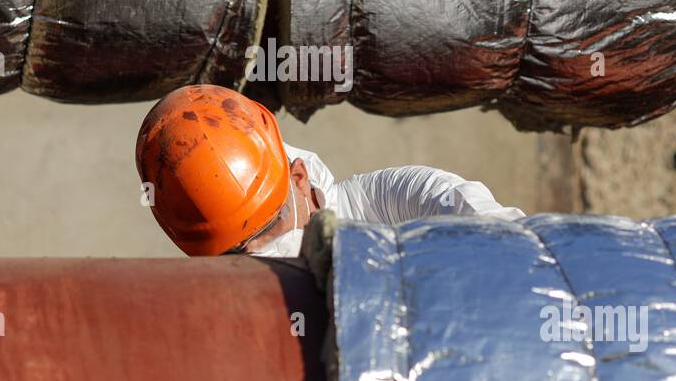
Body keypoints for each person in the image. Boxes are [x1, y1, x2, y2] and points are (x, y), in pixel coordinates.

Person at [135, 84, 524, 258]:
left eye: (271, 229)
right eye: (236, 253)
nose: (262, 254)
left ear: (299, 177)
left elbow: (513, 247)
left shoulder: (400, 200)